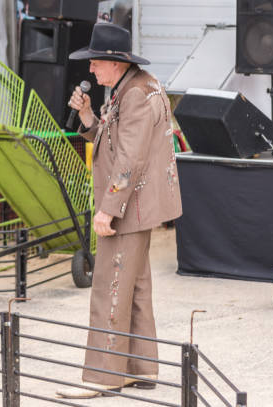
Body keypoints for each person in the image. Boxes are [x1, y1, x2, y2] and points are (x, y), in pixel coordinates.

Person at [56, 23, 182, 399]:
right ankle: (140, 370)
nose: (90, 71)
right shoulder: (135, 86)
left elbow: (128, 159)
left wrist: (107, 210)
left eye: (95, 63)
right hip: (138, 204)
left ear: (115, 62)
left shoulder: (137, 94)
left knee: (108, 288)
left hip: (129, 205)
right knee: (135, 286)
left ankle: (104, 376)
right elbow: (115, 141)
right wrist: (88, 117)